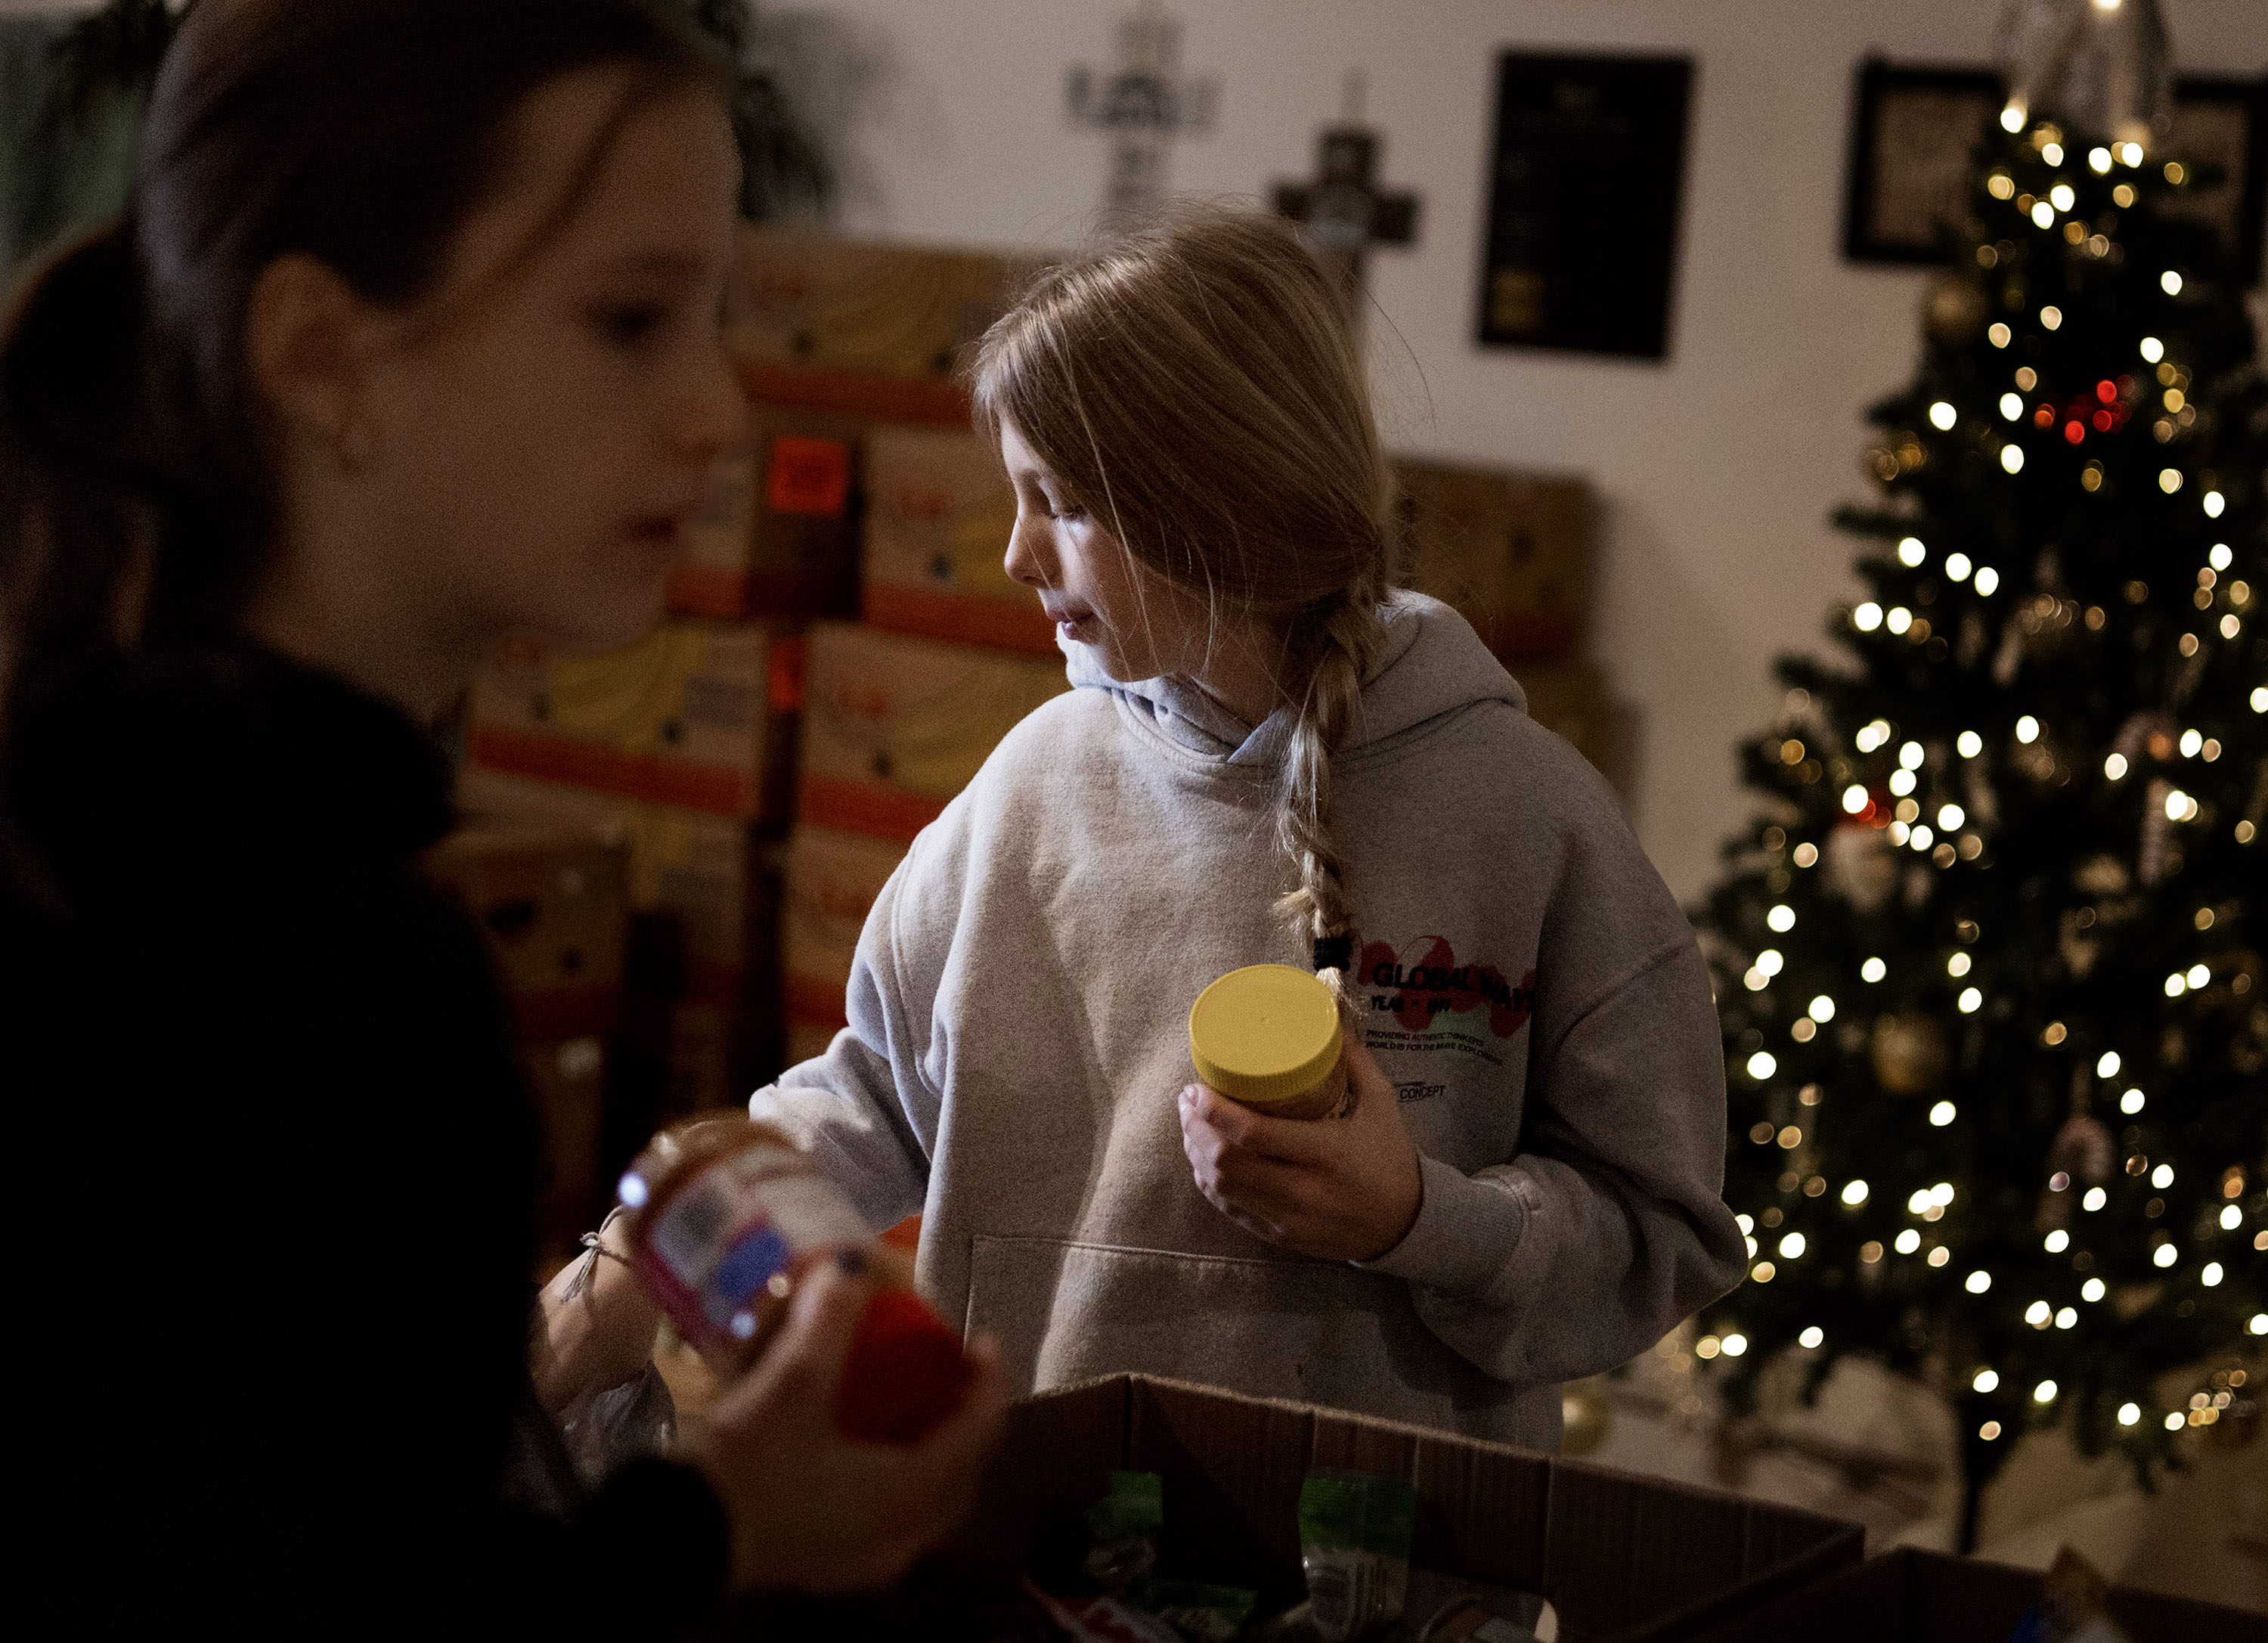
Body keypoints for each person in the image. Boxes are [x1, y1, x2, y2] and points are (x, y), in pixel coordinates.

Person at [0, 1, 1001, 1635]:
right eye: (627, 321)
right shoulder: (315, 972)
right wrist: (730, 1533)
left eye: (716, 319)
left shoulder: (104, 795)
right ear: (322, 353)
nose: (717, 413)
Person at [750, 207, 1747, 1450]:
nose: (1011, 554)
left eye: (1057, 502)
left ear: (1214, 508)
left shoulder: (1533, 822)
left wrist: (1414, 1216)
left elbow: (1661, 1234)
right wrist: (645, 1260)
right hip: (1034, 1544)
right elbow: (869, 1100)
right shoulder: (1024, 796)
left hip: (1384, 1569)